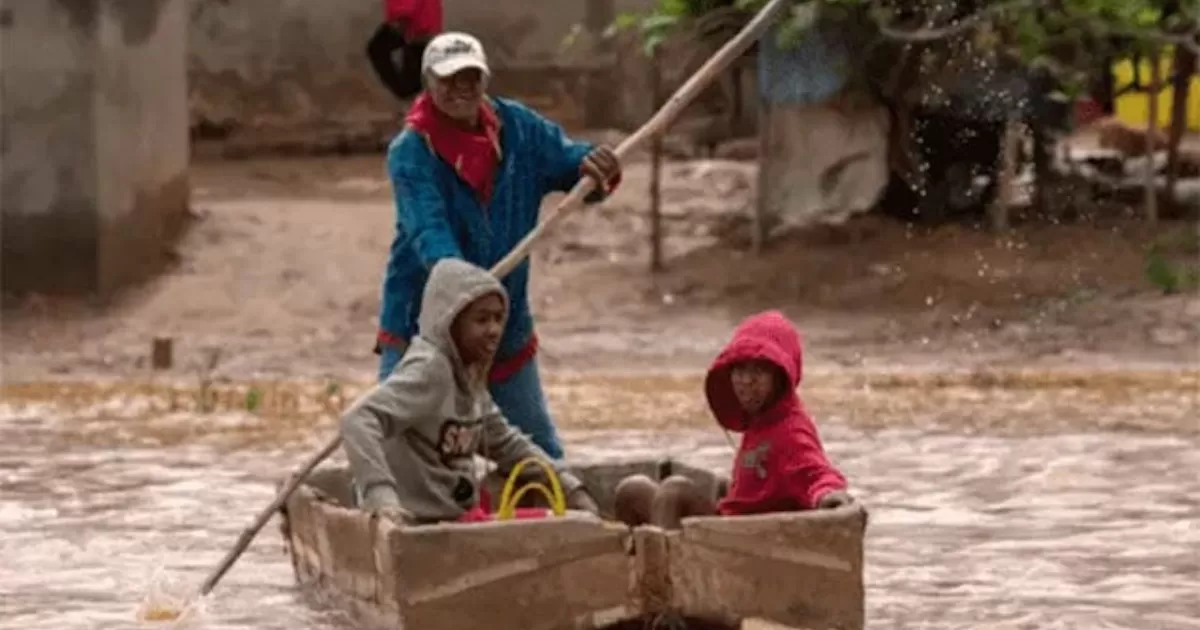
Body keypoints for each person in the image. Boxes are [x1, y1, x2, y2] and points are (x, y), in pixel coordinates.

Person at [374, 31, 623, 461]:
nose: (461, 89)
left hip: (500, 325)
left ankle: (554, 521)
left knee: (539, 453)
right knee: (394, 446)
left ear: (484, 79)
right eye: (448, 80)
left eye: (470, 77)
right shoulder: (411, 153)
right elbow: (429, 235)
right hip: (421, 327)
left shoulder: (520, 130)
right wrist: (464, 290)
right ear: (429, 84)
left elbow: (571, 166)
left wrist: (596, 168)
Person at [342, 258, 600, 525]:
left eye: (499, 319)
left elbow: (506, 442)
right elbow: (359, 419)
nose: (494, 331)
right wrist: (381, 497)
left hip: (456, 516)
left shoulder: (469, 375)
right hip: (416, 522)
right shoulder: (430, 370)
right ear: (450, 322)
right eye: (481, 320)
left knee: (527, 482)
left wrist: (568, 486)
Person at [613, 311, 853, 529]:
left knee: (675, 491)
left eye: (758, 372)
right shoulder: (757, 421)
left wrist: (828, 494)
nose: (746, 382)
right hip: (729, 521)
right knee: (632, 490)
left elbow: (817, 473)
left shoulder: (791, 429)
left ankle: (662, 570)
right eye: (740, 371)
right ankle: (638, 563)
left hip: (744, 539)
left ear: (780, 377)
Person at [365, 0, 443, 101]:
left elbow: (405, 10)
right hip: (421, 24)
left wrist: (401, 21)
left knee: (378, 49)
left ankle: (407, 97)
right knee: (415, 72)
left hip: (415, 26)